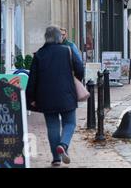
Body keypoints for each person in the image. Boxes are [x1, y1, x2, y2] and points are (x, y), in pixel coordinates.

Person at [26, 26, 84, 167]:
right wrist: (75, 80)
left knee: (52, 126)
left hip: (46, 97)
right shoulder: (67, 51)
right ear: (59, 37)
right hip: (67, 95)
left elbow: (32, 79)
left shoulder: (39, 54)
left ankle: (56, 159)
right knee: (69, 123)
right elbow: (80, 69)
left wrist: (31, 98)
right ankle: (63, 145)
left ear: (46, 37)